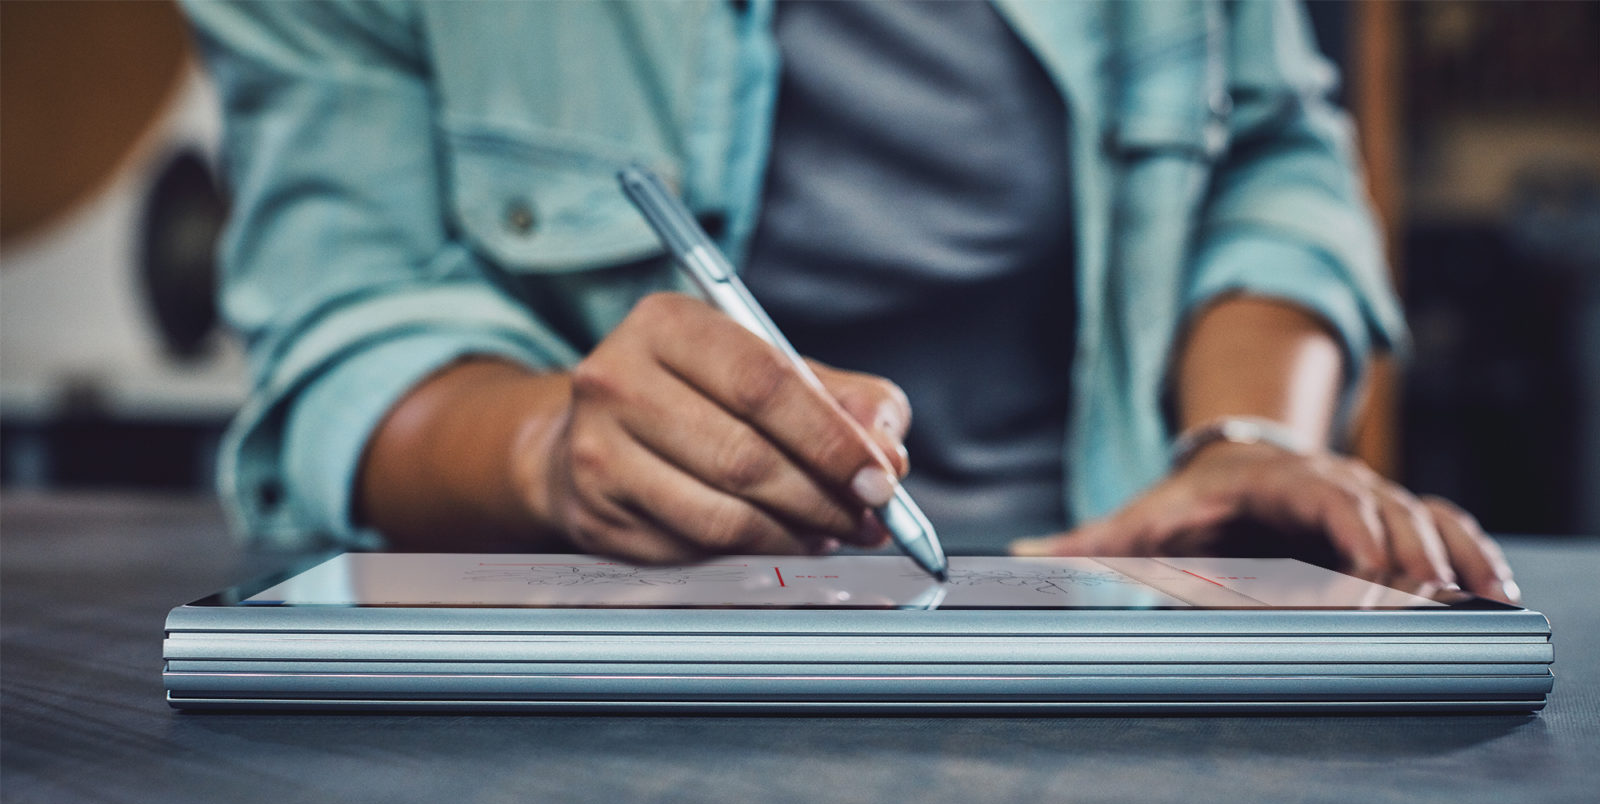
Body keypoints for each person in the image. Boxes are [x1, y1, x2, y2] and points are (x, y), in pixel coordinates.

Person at [183, 0, 1519, 601]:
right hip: (611, 641)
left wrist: (1245, 437)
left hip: (1101, 608)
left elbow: (1271, 158)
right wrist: (547, 448)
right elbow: (337, 330)